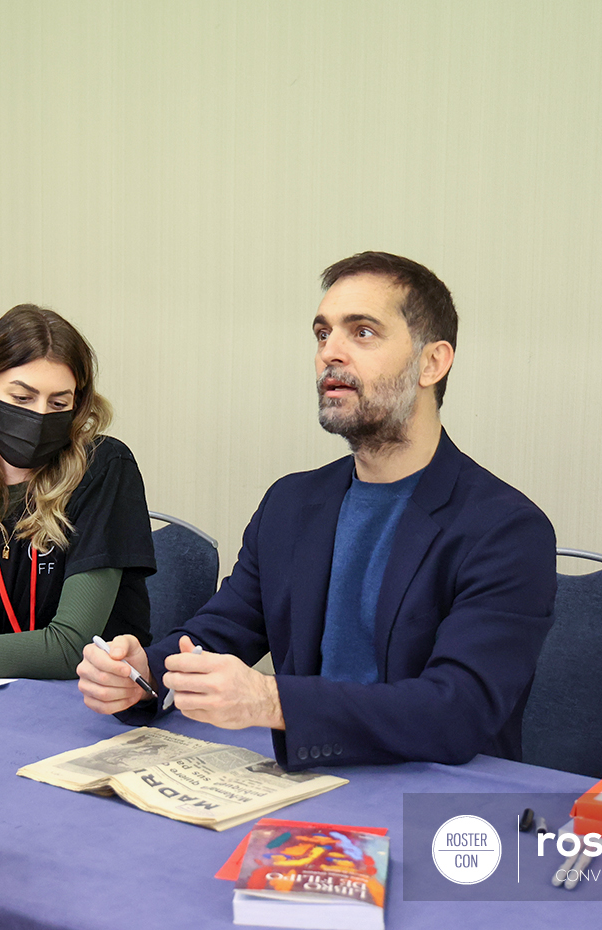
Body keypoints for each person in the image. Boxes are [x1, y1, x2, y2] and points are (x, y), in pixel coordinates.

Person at [77, 251, 557, 768]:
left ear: (432, 362)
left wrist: (270, 701)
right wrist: (141, 673)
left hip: (435, 803)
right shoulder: (291, 504)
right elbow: (219, 633)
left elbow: (457, 711)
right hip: (304, 779)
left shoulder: (506, 528)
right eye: (323, 333)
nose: (331, 352)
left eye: (363, 332)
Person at [0, 305, 156, 679]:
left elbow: (72, 648)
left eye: (58, 403)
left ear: (77, 404)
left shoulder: (104, 467)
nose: (39, 416)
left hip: (94, 701)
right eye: (21, 398)